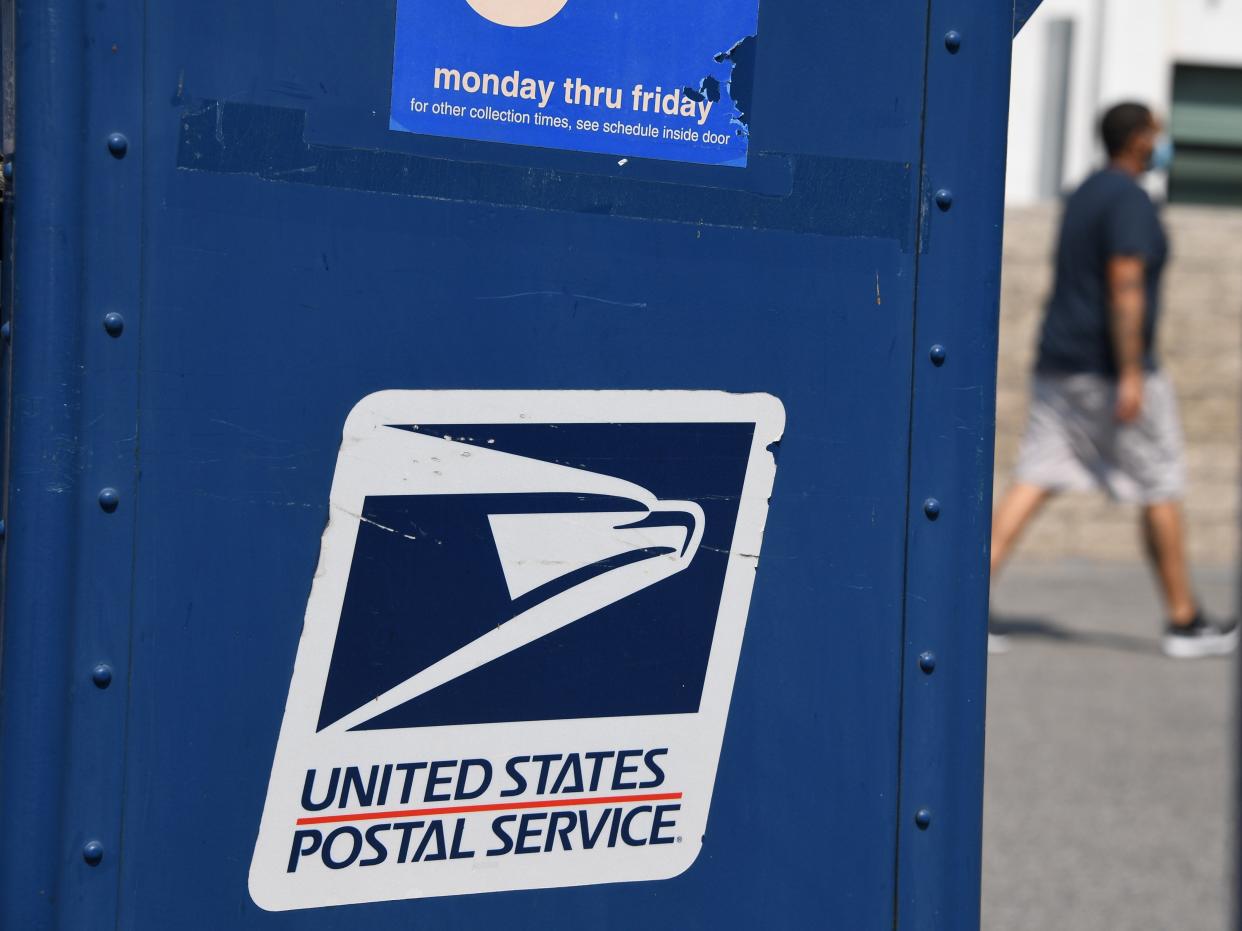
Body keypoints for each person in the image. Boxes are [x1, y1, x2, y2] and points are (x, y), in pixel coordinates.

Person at [989, 102, 1237, 659]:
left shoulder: (1086, 191)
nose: (1163, 142)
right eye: (1156, 132)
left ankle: (963, 608)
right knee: (1161, 483)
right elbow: (1125, 282)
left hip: (1060, 364)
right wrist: (1132, 372)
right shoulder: (1128, 199)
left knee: (1034, 475)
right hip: (1109, 369)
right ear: (1138, 140)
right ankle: (1184, 619)